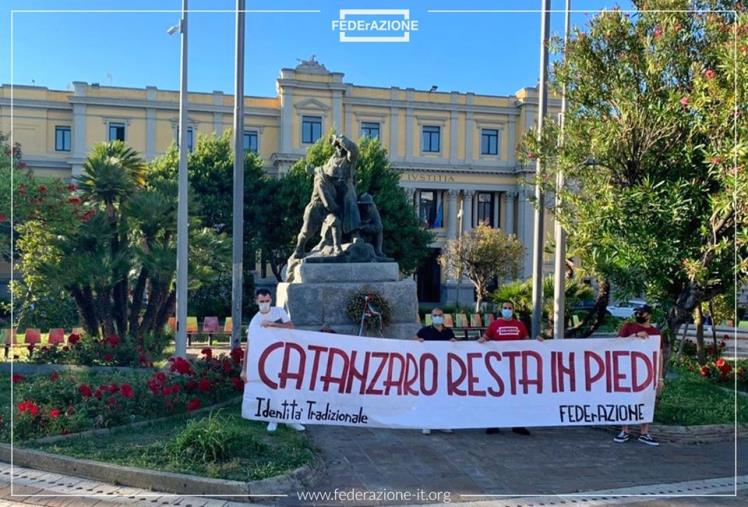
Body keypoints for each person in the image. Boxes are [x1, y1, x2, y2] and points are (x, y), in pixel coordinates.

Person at [240, 289, 306, 433]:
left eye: (267, 301)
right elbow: (249, 346)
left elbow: (291, 327)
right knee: (272, 389)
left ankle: (291, 420)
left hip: (285, 355)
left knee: (288, 388)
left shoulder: (278, 312)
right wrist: (244, 369)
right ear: (257, 301)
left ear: (271, 300)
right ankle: (273, 418)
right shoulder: (255, 321)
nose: (264, 304)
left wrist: (272, 324)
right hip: (268, 360)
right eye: (262, 301)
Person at [479, 301, 540, 436]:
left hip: (516, 367)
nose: (507, 310)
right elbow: (484, 338)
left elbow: (526, 342)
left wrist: (538, 342)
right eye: (505, 308)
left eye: (509, 308)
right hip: (498, 368)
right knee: (496, 396)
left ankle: (517, 424)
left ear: (513, 310)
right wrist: (480, 342)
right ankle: (494, 424)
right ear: (501, 310)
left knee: (516, 396)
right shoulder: (495, 325)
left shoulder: (519, 325)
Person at [614, 304, 663, 446]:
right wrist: (635, 336)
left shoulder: (655, 332)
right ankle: (624, 430)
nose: (639, 315)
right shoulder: (629, 327)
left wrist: (660, 377)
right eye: (637, 312)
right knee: (626, 398)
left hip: (647, 372)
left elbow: (659, 355)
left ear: (649, 315)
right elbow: (618, 343)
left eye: (642, 313)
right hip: (628, 371)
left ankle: (644, 432)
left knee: (646, 400)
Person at [415, 308, 457, 435]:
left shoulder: (448, 331)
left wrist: (454, 342)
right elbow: (415, 340)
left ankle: (442, 423)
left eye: (439, 315)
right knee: (428, 396)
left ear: (443, 317)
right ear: (431, 317)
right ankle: (426, 423)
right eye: (435, 315)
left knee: (443, 397)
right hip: (429, 369)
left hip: (444, 368)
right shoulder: (425, 330)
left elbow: (454, 345)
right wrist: (418, 341)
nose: (437, 317)